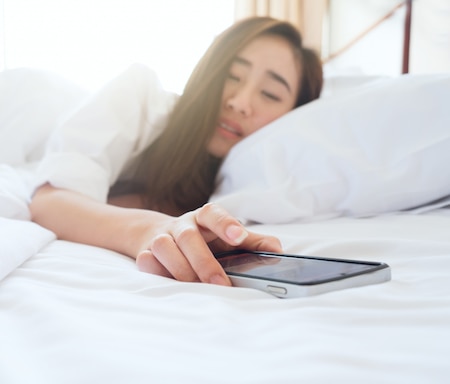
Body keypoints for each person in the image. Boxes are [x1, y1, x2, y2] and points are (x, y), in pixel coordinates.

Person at [29, 16, 323, 286]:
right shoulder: (140, 98)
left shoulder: (259, 180)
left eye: (270, 94)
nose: (240, 102)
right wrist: (147, 230)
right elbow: (49, 200)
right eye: (233, 75)